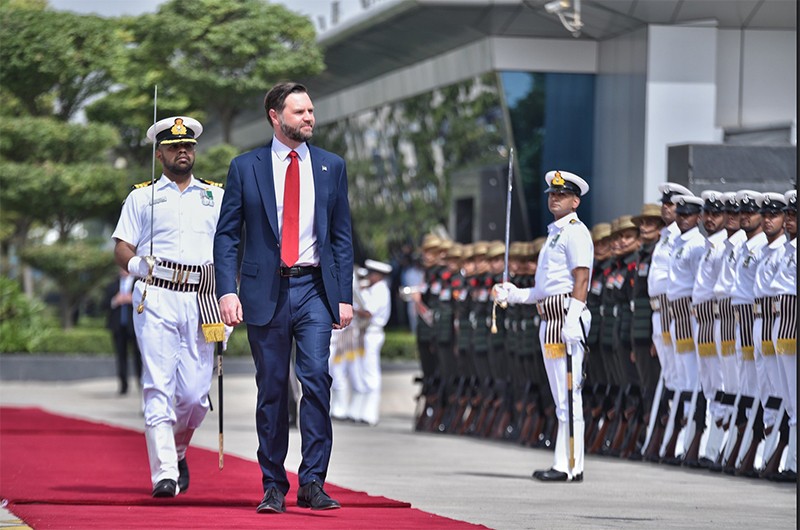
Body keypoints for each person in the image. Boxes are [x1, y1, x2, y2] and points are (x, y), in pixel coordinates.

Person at [214, 82, 354, 514]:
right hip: (264, 292)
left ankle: (312, 481)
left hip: (314, 289)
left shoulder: (332, 166)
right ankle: (273, 484)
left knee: (316, 382)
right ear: (275, 117)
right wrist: (227, 290)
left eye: (311, 110)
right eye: (299, 112)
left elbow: (342, 236)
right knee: (272, 390)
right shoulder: (245, 166)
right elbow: (227, 235)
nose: (309, 117)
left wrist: (343, 295)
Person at [112, 115, 225, 498]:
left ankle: (177, 448)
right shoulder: (142, 196)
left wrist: (231, 294)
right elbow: (121, 245)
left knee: (195, 396)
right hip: (155, 294)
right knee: (157, 385)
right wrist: (134, 264)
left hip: (202, 298)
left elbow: (228, 249)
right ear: (160, 153)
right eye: (175, 146)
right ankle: (164, 473)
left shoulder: (215, 196)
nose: (183, 151)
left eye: (188, 146)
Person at [494, 170, 593, 482]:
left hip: (565, 318)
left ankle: (571, 465)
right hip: (549, 320)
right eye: (552, 193)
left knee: (569, 396)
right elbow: (541, 291)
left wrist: (574, 319)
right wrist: (513, 293)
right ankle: (563, 461)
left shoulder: (576, 232)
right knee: (561, 398)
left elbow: (582, 279)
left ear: (575, 201)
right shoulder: (553, 236)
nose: (555, 198)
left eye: (561, 194)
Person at [349, 259, 392, 425]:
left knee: (371, 373)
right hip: (365, 333)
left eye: (373, 274)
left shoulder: (380, 290)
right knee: (363, 371)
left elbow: (368, 312)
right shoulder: (374, 289)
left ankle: (371, 413)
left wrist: (351, 309)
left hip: (373, 332)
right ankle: (364, 411)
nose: (370, 277)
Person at [105, 267, 142, 396]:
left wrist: (133, 299)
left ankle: (141, 384)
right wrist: (116, 300)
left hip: (136, 327)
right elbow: (104, 304)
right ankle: (123, 385)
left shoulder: (140, 283)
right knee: (121, 356)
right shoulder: (112, 285)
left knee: (139, 357)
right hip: (119, 326)